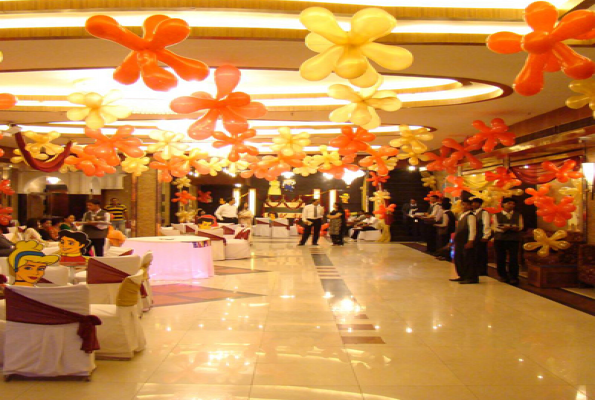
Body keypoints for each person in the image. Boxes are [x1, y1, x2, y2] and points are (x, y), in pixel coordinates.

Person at [492, 197, 523, 285]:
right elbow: (495, 227)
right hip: (500, 238)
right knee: (500, 257)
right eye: (509, 203)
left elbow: (521, 226)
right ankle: (502, 275)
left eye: (513, 204)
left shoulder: (518, 215)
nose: (511, 205)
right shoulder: (496, 215)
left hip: (513, 239)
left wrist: (512, 228)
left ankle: (513, 276)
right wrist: (505, 228)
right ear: (503, 204)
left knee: (514, 258)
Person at [451, 199, 478, 284]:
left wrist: (470, 241)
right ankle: (462, 275)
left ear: (470, 206)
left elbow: (472, 229)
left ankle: (471, 277)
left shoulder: (471, 216)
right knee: (459, 258)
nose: (464, 206)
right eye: (463, 204)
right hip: (459, 240)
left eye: (467, 205)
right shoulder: (461, 215)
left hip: (466, 239)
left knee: (468, 259)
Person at [472, 198, 492, 276]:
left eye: (475, 203)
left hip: (481, 235)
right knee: (474, 253)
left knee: (481, 253)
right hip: (474, 235)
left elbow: (486, 224)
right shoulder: (472, 212)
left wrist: (486, 236)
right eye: (473, 203)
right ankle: (475, 269)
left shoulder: (484, 213)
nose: (473, 204)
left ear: (480, 204)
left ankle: (482, 270)